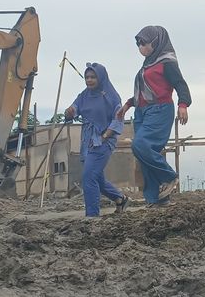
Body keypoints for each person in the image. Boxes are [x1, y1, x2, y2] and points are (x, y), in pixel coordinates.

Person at [116, 26, 191, 205]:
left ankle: (169, 176)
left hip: (160, 110)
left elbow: (180, 84)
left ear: (156, 42)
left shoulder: (167, 62)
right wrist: (128, 104)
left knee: (140, 145)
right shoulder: (148, 64)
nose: (140, 47)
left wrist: (183, 104)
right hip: (141, 112)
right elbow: (144, 92)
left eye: (143, 43)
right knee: (145, 157)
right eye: (138, 44)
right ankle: (156, 199)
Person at [64, 63, 128, 217]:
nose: (89, 80)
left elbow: (118, 119)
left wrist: (105, 136)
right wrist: (69, 112)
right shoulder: (84, 95)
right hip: (87, 141)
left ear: (101, 78)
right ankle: (120, 199)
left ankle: (92, 216)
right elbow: (73, 110)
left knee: (89, 176)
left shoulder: (112, 97)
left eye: (93, 77)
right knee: (97, 178)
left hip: (104, 141)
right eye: (87, 77)